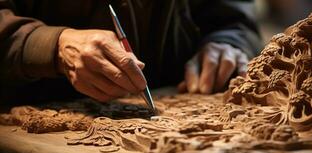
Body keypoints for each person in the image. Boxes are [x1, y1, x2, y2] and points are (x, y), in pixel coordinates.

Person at [0, 0, 262, 104]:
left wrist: (228, 42)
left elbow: (232, 17)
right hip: (37, 110)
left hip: (177, 92)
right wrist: (52, 45)